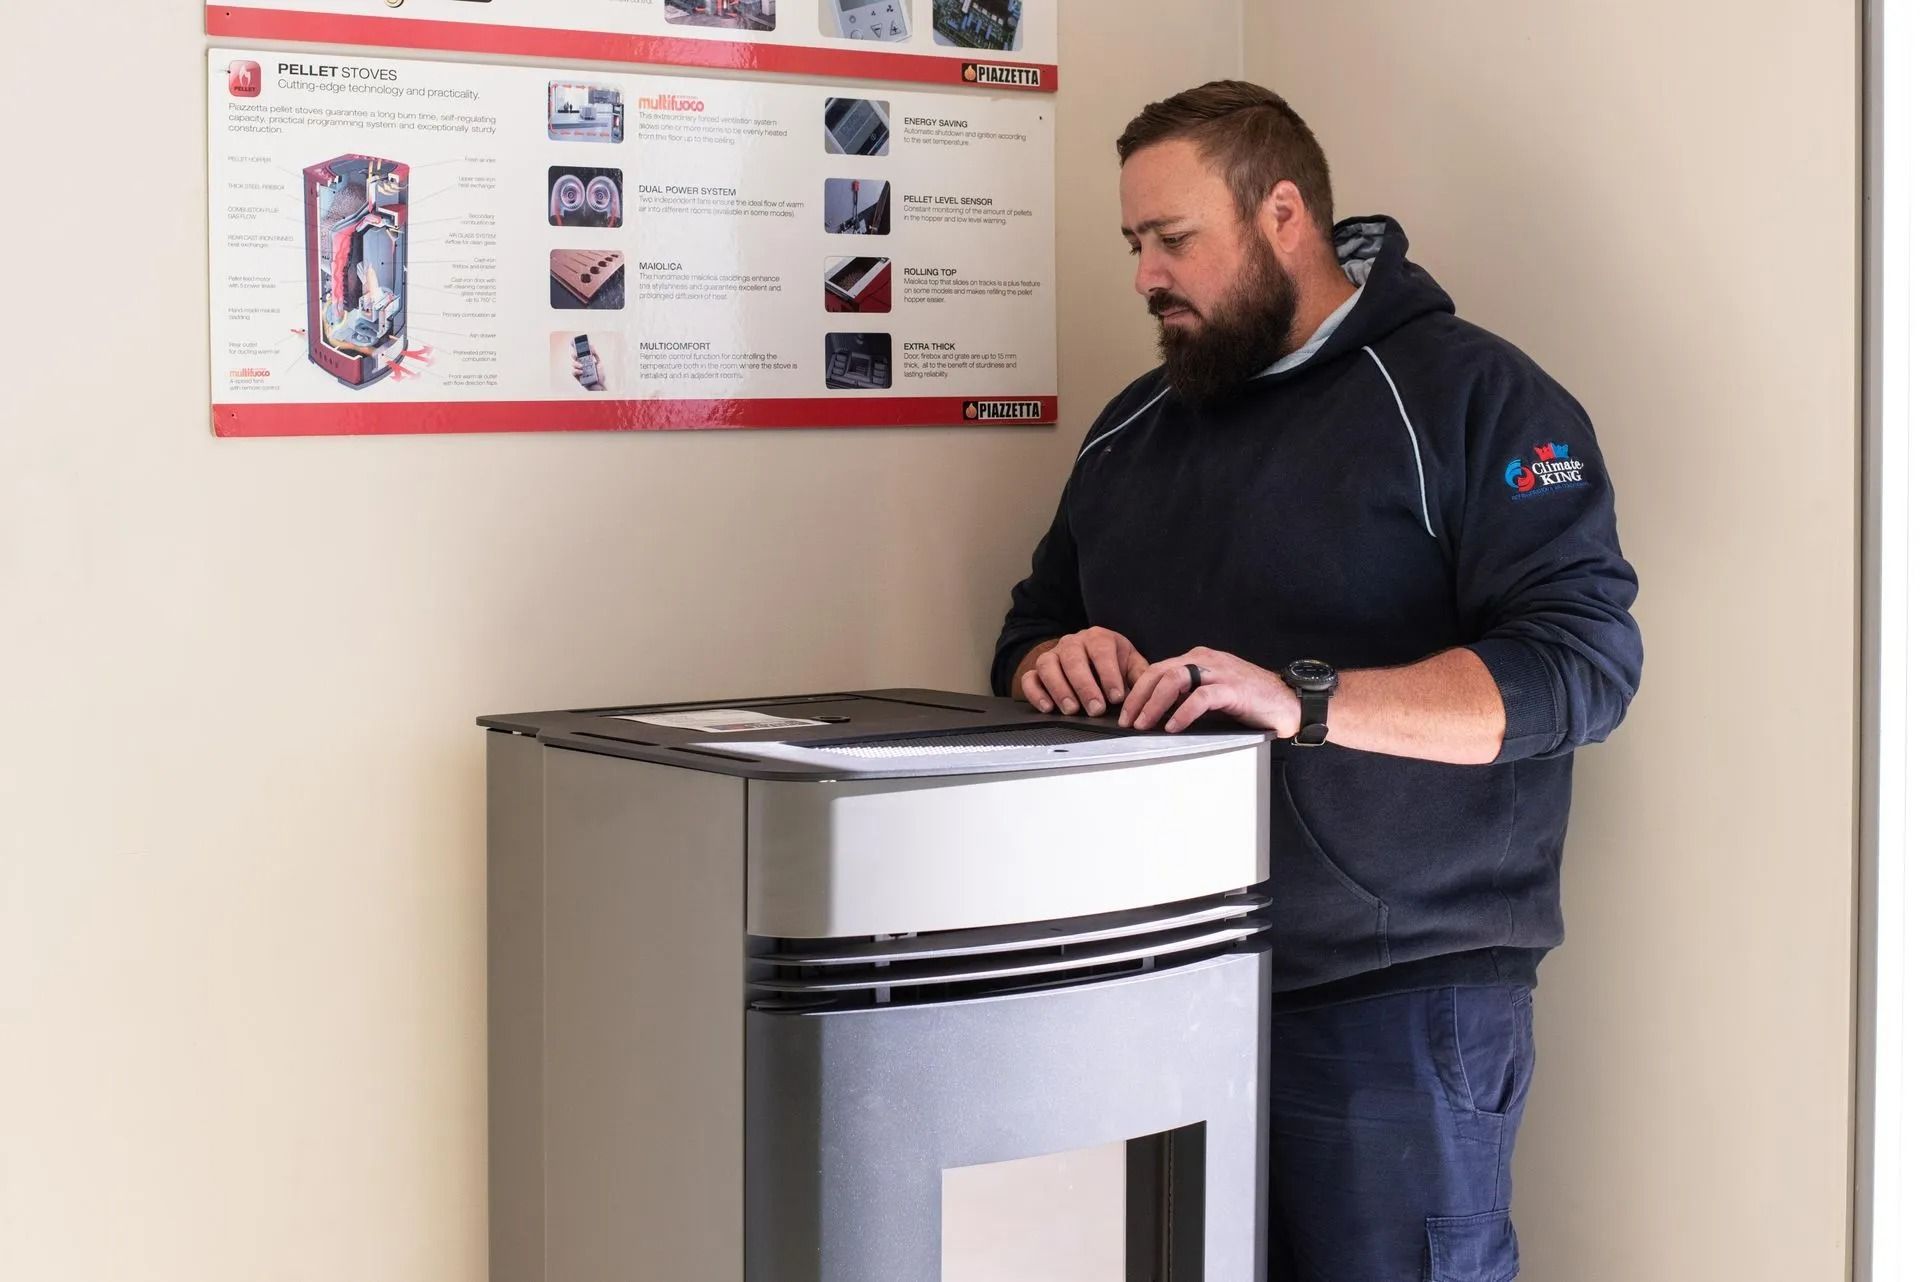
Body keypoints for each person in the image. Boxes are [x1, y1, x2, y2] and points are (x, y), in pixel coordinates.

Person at [991, 81, 1642, 1281]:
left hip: (1395, 1000)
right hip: (1153, 988)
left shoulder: (1469, 398)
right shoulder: (1134, 428)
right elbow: (1032, 622)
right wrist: (1048, 655)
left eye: (1173, 239)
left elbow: (1581, 669)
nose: (1144, 276)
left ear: (1282, 213)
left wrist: (1308, 699)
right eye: (1134, 243)